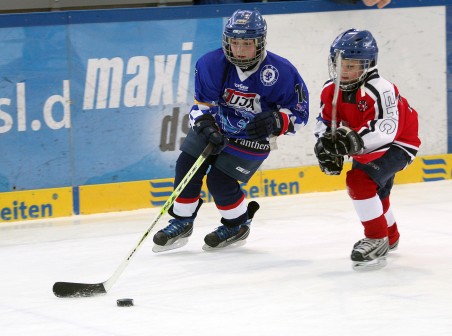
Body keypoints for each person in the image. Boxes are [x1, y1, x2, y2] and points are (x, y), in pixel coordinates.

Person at [153, 9, 309, 252]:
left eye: (247, 43)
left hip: (251, 136)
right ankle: (182, 220)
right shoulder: (210, 63)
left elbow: (300, 114)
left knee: (219, 180)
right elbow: (201, 106)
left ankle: (237, 224)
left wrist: (276, 121)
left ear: (260, 42)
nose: (239, 50)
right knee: (186, 165)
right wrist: (204, 124)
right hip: (218, 126)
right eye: (234, 42)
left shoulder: (281, 72)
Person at [314, 28, 420, 270]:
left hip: (398, 143)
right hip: (365, 145)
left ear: (368, 65)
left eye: (352, 65)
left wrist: (351, 142)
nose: (345, 70)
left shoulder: (381, 88)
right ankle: (390, 236)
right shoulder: (330, 89)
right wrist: (325, 145)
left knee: (359, 182)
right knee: (377, 193)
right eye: (341, 64)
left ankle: (377, 238)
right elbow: (324, 122)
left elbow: (385, 129)